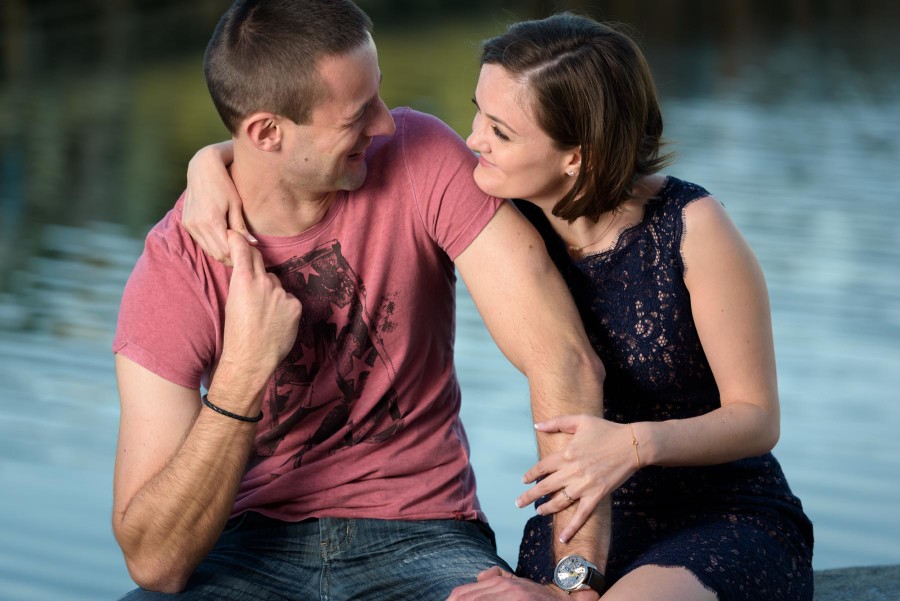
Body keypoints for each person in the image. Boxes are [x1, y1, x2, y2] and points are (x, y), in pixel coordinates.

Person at [187, 10, 815, 601]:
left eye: (501, 132)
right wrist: (207, 163)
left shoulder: (692, 227)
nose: (472, 140)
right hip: (582, 513)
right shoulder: (503, 213)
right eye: (478, 113)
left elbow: (757, 419)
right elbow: (284, 149)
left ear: (578, 156)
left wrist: (632, 446)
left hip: (721, 512)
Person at [111, 1, 606, 600]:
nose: (384, 124)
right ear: (267, 132)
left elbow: (561, 357)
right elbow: (155, 562)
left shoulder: (420, 157)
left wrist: (574, 583)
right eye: (356, 113)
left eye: (378, 96)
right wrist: (243, 371)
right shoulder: (175, 266)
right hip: (244, 547)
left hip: (425, 536)